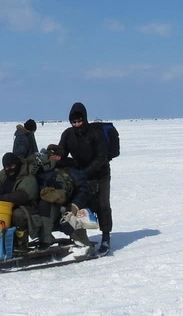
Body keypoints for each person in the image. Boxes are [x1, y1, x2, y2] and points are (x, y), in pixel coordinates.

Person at [51, 102, 113, 256]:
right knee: (81, 205)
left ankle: (106, 238)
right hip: (81, 173)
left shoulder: (95, 133)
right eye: (74, 122)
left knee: (102, 204)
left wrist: (85, 172)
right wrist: (54, 156)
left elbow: (101, 157)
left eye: (79, 121)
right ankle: (80, 237)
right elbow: (62, 153)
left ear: (84, 119)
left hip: (101, 173)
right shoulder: (68, 134)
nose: (77, 124)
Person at [0, 152, 40, 251]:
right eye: (7, 167)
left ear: (17, 164)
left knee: (17, 214)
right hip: (6, 206)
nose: (10, 169)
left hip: (28, 209)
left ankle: (21, 243)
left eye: (13, 166)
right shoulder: (3, 175)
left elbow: (22, 195)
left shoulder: (28, 176)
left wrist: (0, 198)